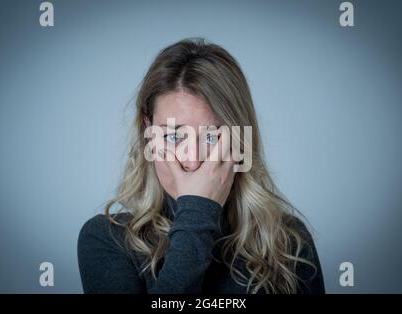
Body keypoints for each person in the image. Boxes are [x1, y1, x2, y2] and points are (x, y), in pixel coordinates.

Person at [77, 38, 325, 294]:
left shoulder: (287, 241)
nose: (194, 161)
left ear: (239, 137)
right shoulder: (107, 240)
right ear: (147, 131)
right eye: (174, 136)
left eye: (211, 137)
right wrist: (198, 212)